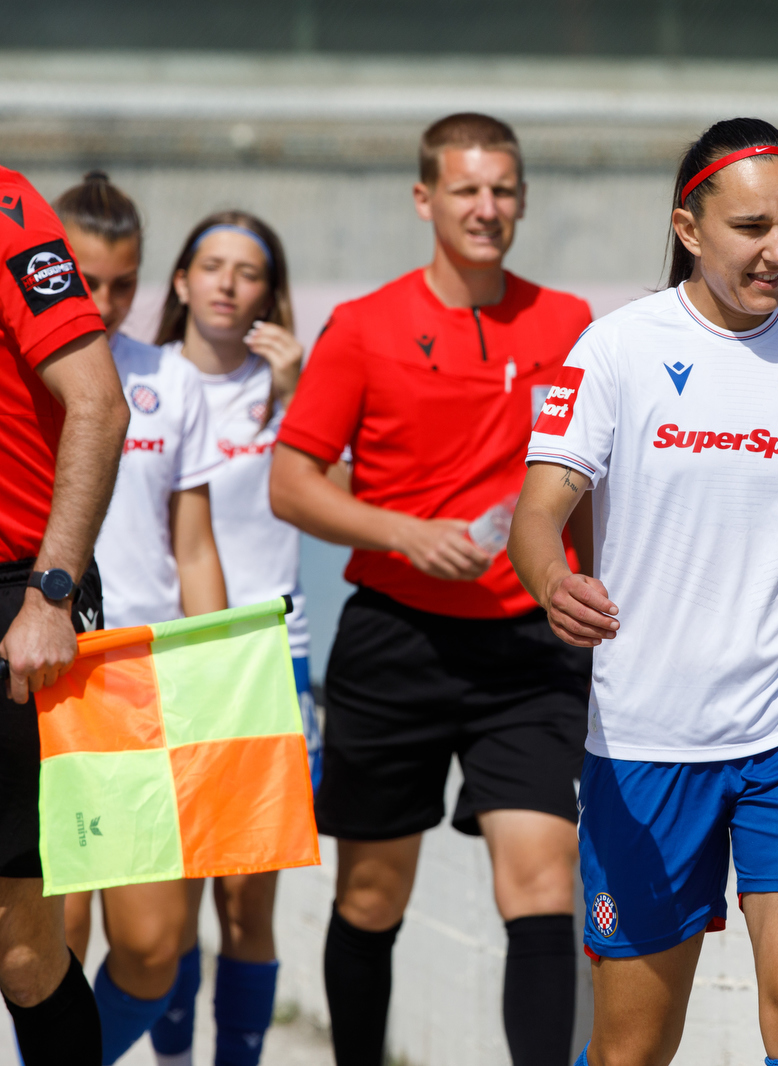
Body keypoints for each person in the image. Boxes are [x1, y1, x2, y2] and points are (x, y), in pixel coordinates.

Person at [510, 116, 778, 1066]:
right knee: (635, 1045)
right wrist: (556, 584)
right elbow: (533, 521)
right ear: (689, 228)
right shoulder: (616, 349)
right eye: (752, 228)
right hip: (646, 745)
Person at [270, 113, 593, 1066]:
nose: (486, 208)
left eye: (502, 191)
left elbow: (592, 479)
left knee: (543, 879)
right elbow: (292, 482)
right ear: (426, 200)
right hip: (395, 640)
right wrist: (406, 534)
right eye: (466, 190)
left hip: (529, 649)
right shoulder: (365, 327)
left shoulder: (568, 323)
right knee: (372, 895)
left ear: (523, 200)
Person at [52, 173, 234, 1065]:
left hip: (143, 686)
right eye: (84, 279)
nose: (105, 301)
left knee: (156, 948)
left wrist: (221, 686)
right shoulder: (24, 371)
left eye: (124, 283)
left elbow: (192, 547)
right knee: (49, 941)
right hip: (42, 674)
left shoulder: (173, 380)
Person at [137, 209, 310, 1066]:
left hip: (272, 656)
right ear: (179, 281)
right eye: (211, 265)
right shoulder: (143, 382)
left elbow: (339, 500)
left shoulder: (292, 388)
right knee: (172, 897)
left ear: (269, 295)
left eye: (248, 272)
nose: (227, 283)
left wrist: (298, 396)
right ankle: (171, 1057)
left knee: (247, 897)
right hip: (164, 661)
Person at [0, 164, 128, 1064]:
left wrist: (50, 595)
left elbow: (99, 404)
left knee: (22, 947)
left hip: (15, 600)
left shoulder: (7, 206)